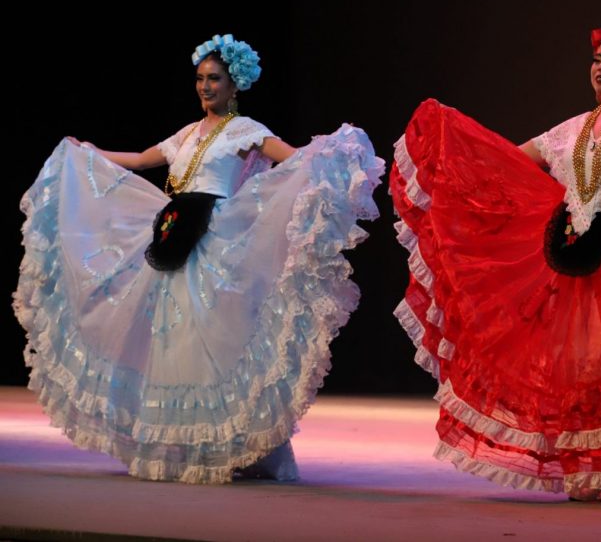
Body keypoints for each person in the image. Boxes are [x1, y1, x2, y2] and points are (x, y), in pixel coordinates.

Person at [14, 34, 384, 483]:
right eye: (200, 79)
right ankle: (179, 443)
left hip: (216, 240)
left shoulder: (246, 131)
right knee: (170, 339)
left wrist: (330, 153)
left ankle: (236, 445)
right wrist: (91, 152)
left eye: (214, 79)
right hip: (173, 237)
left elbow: (292, 161)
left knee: (214, 338)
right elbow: (142, 159)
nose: (205, 87)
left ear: (234, 85)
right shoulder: (187, 133)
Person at [392, 18, 601, 501]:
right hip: (567, 260)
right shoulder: (571, 128)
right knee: (575, 365)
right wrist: (456, 150)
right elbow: (507, 161)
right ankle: (584, 464)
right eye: (598, 59)